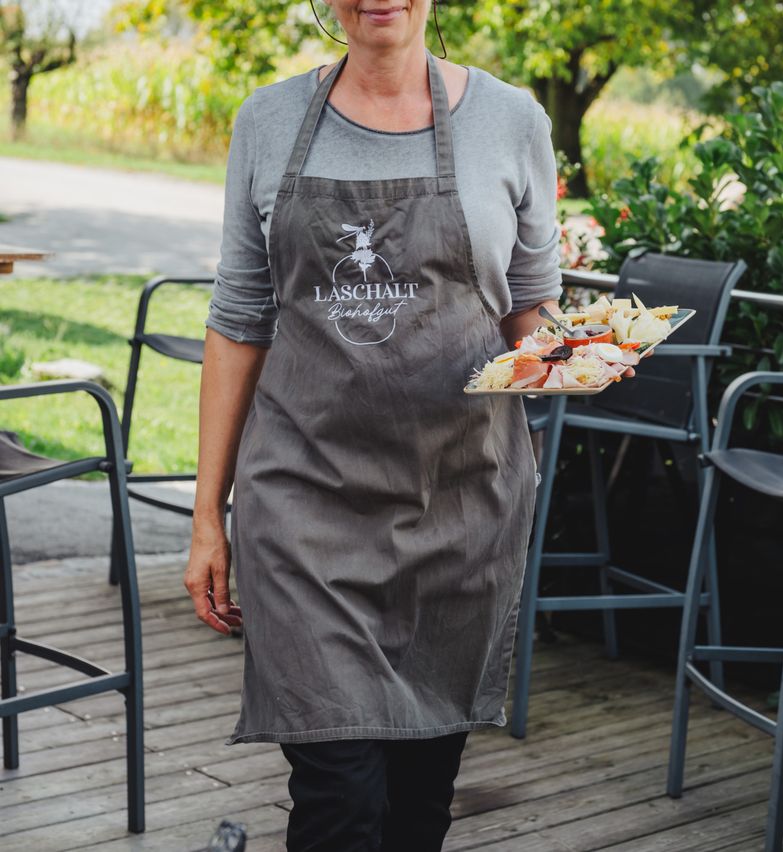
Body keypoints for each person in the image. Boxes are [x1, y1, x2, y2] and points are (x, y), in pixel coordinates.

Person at [184, 1, 573, 849]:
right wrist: (207, 514)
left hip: (460, 506)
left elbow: (533, 311)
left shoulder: (512, 121)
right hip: (305, 506)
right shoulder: (269, 119)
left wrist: (578, 355)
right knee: (341, 803)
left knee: (418, 805)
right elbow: (238, 317)